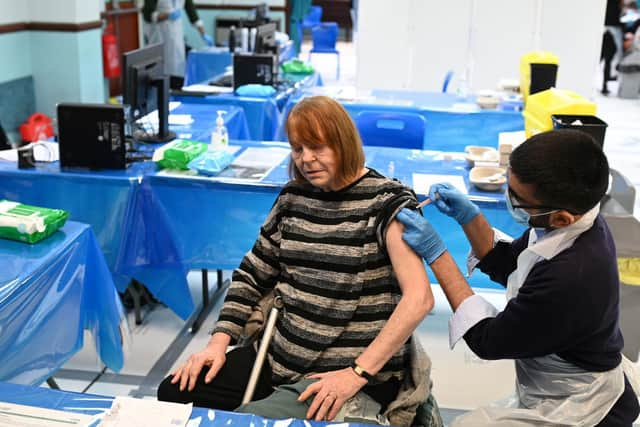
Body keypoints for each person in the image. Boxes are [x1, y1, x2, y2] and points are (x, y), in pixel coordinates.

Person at [157, 96, 442, 426]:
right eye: (297, 148)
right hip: (280, 360)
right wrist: (217, 344)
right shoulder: (294, 198)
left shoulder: (387, 203)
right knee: (174, 395)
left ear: (343, 142)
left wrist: (356, 373)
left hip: (350, 373)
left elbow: (419, 299)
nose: (307, 159)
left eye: (318, 147)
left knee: (247, 422)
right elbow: (252, 274)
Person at [396, 129, 640, 426]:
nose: (509, 201)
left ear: (562, 217)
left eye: (518, 200)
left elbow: (488, 339)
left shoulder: (571, 276)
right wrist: (470, 216)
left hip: (582, 403)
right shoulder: (568, 226)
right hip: (560, 379)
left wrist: (437, 254)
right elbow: (511, 264)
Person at [142, 0, 213, 88]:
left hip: (176, 36)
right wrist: (167, 16)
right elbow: (147, 15)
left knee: (177, 68)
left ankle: (176, 91)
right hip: (159, 36)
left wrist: (203, 34)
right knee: (160, 71)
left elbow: (192, 14)